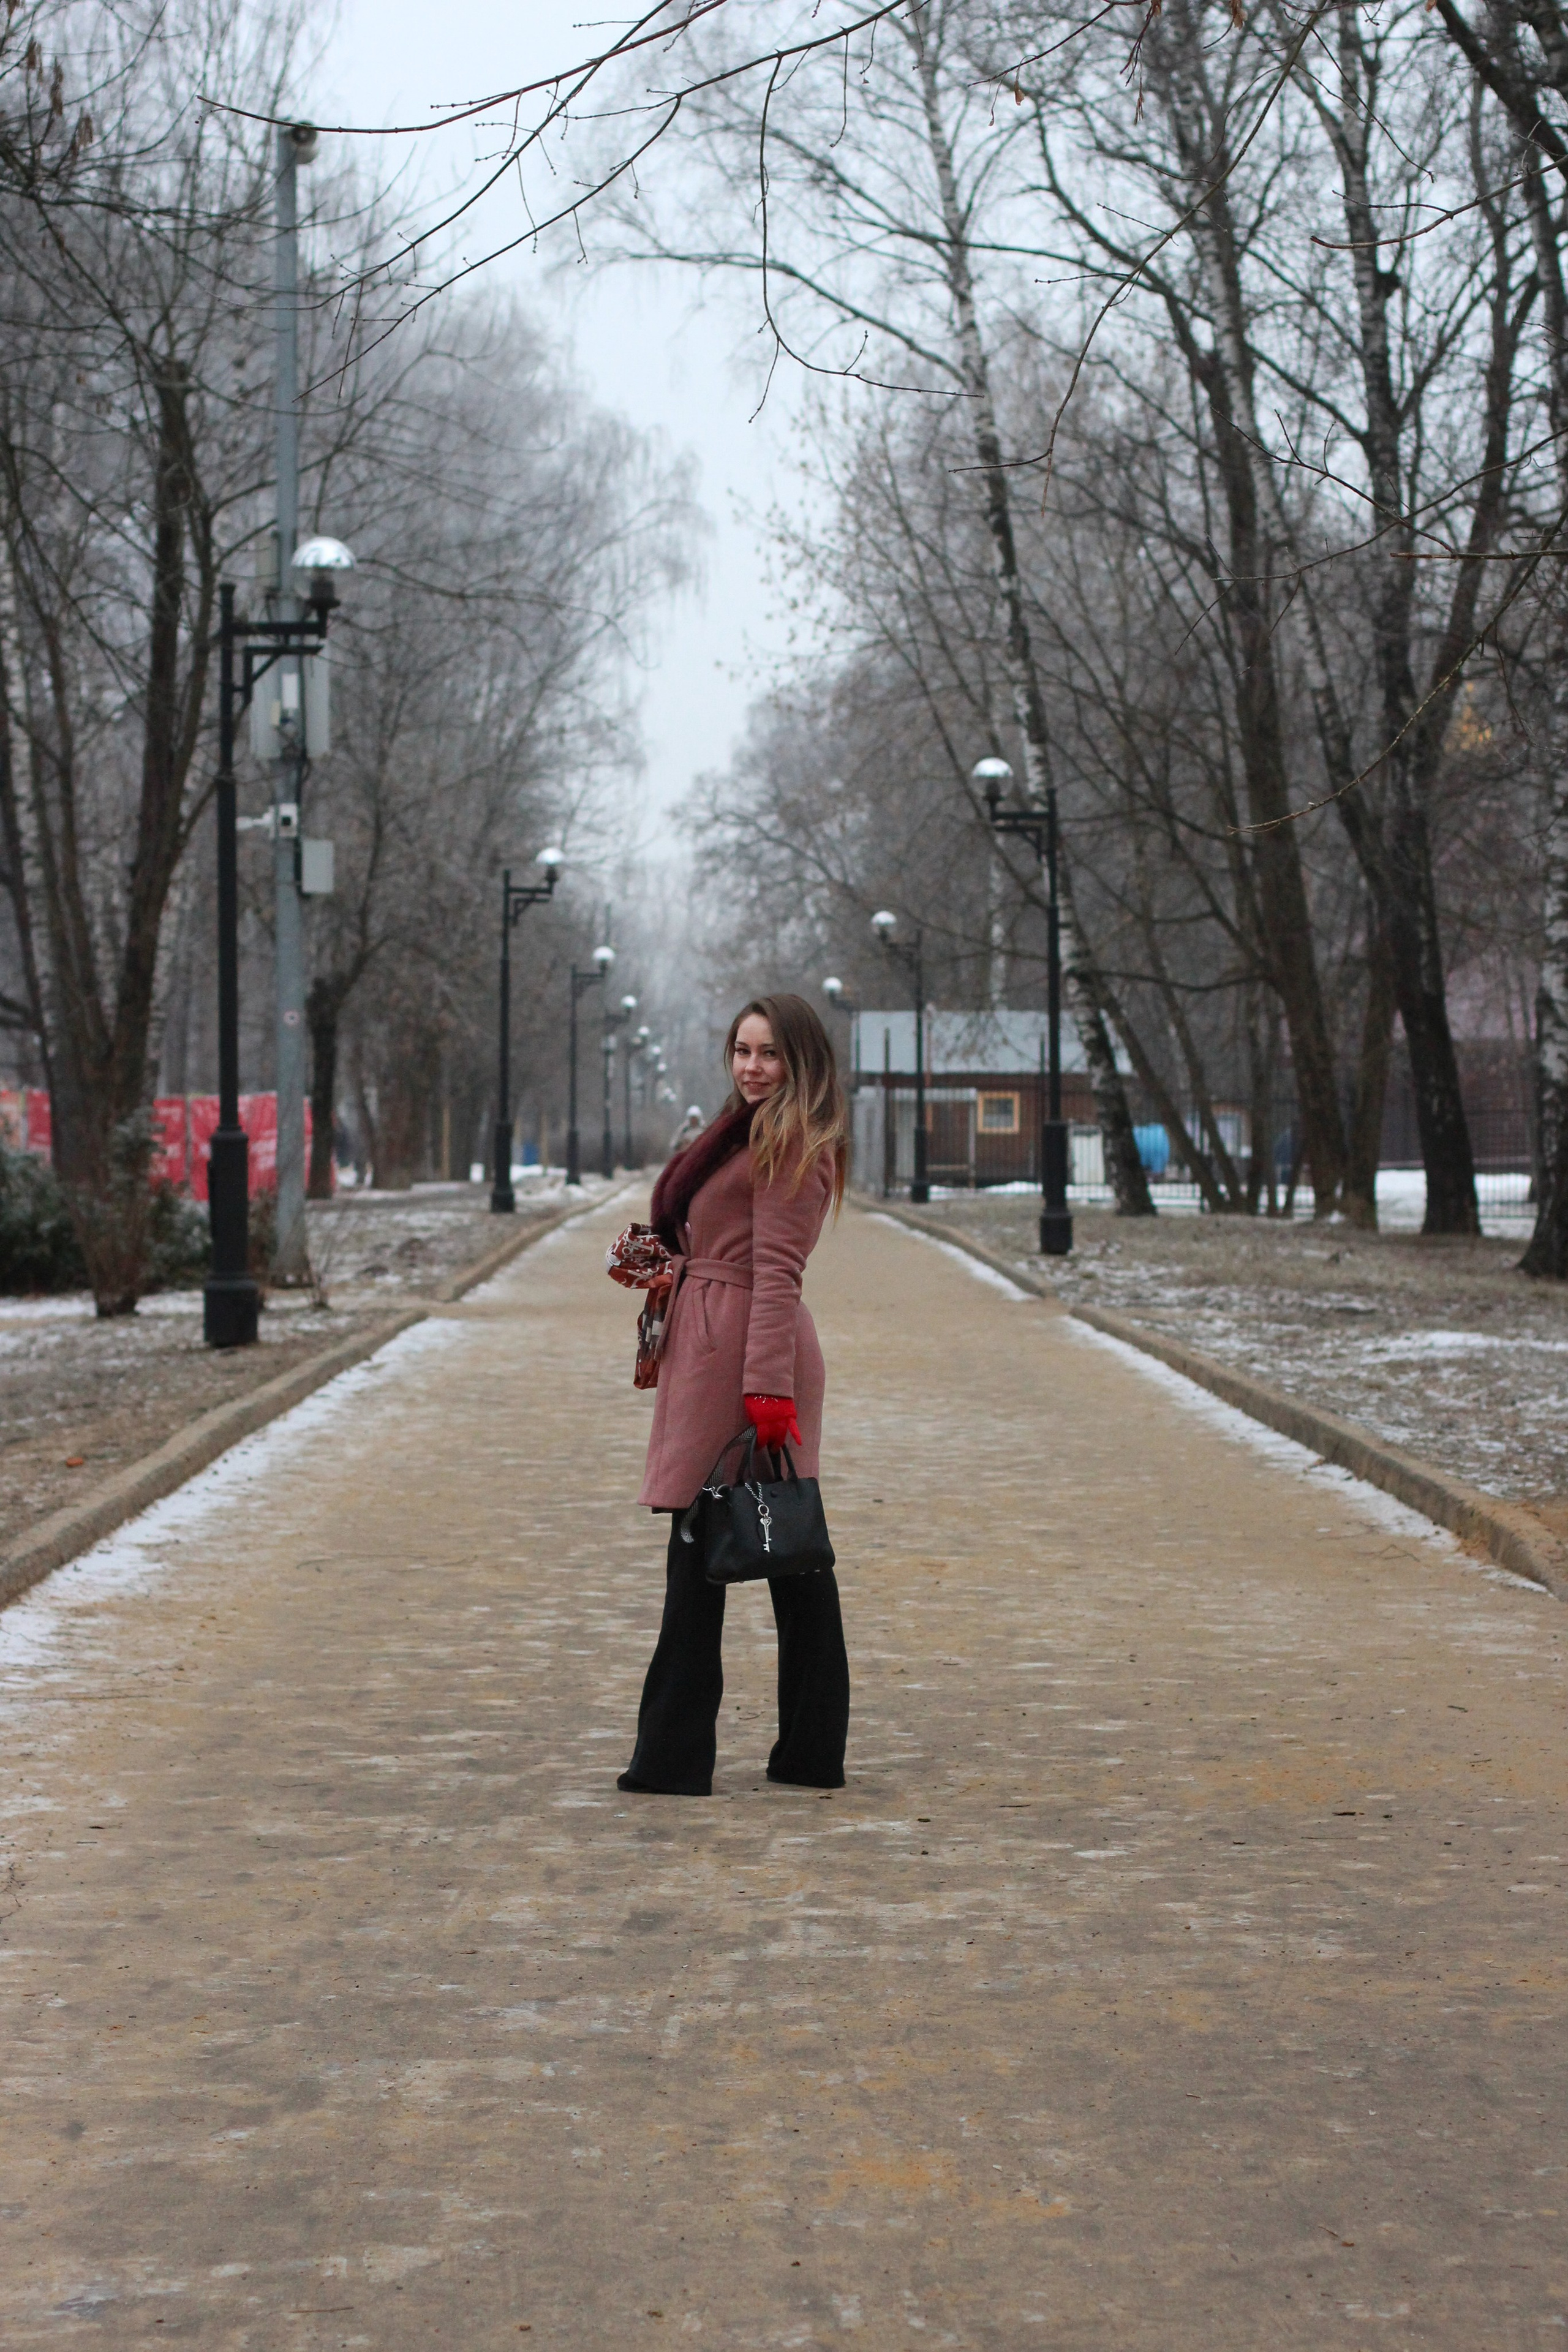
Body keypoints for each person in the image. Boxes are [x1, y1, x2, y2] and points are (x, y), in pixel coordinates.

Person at [618, 993, 851, 1796]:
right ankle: (807, 1752)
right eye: (743, 1051)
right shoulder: (735, 1132)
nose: (753, 1068)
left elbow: (779, 1274)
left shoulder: (791, 1143)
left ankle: (674, 1758)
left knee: (748, 1541)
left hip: (748, 1351)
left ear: (801, 1061)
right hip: (712, 1340)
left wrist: (768, 1392)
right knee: (774, 1547)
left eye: (770, 1053)